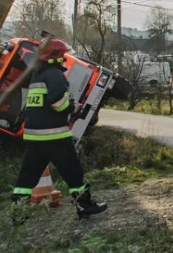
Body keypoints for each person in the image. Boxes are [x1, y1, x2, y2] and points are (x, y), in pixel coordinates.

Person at [11, 38, 107, 218]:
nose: (64, 57)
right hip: (53, 135)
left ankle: (18, 212)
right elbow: (57, 102)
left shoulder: (37, 75)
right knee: (73, 171)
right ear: (55, 56)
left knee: (27, 177)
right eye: (62, 54)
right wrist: (73, 107)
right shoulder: (54, 74)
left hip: (33, 136)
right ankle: (84, 206)